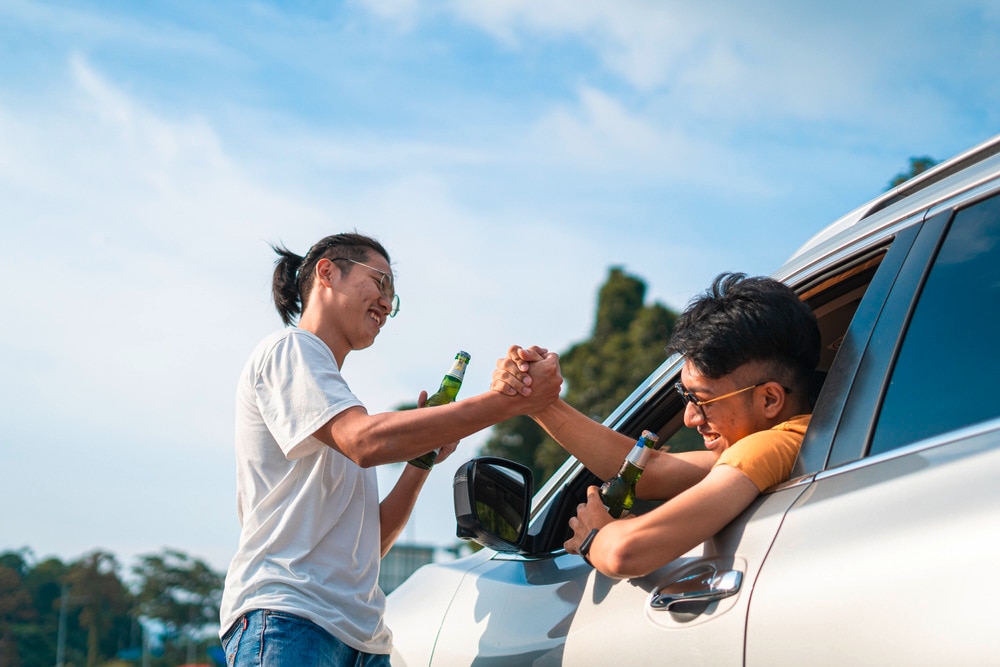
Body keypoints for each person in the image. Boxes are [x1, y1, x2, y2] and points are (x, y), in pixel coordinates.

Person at [219, 232, 561, 667]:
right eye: (380, 283)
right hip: (290, 618)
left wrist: (422, 462)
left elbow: (370, 544)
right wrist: (510, 402)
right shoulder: (289, 350)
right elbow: (363, 441)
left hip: (362, 638)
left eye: (393, 298)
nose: (386, 304)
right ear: (327, 271)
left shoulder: (336, 403)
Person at [493, 272, 820, 579]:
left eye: (702, 400)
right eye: (684, 396)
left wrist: (597, 535)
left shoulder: (769, 445)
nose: (691, 418)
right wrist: (540, 404)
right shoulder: (803, 442)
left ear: (769, 400)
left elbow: (627, 552)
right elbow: (650, 471)